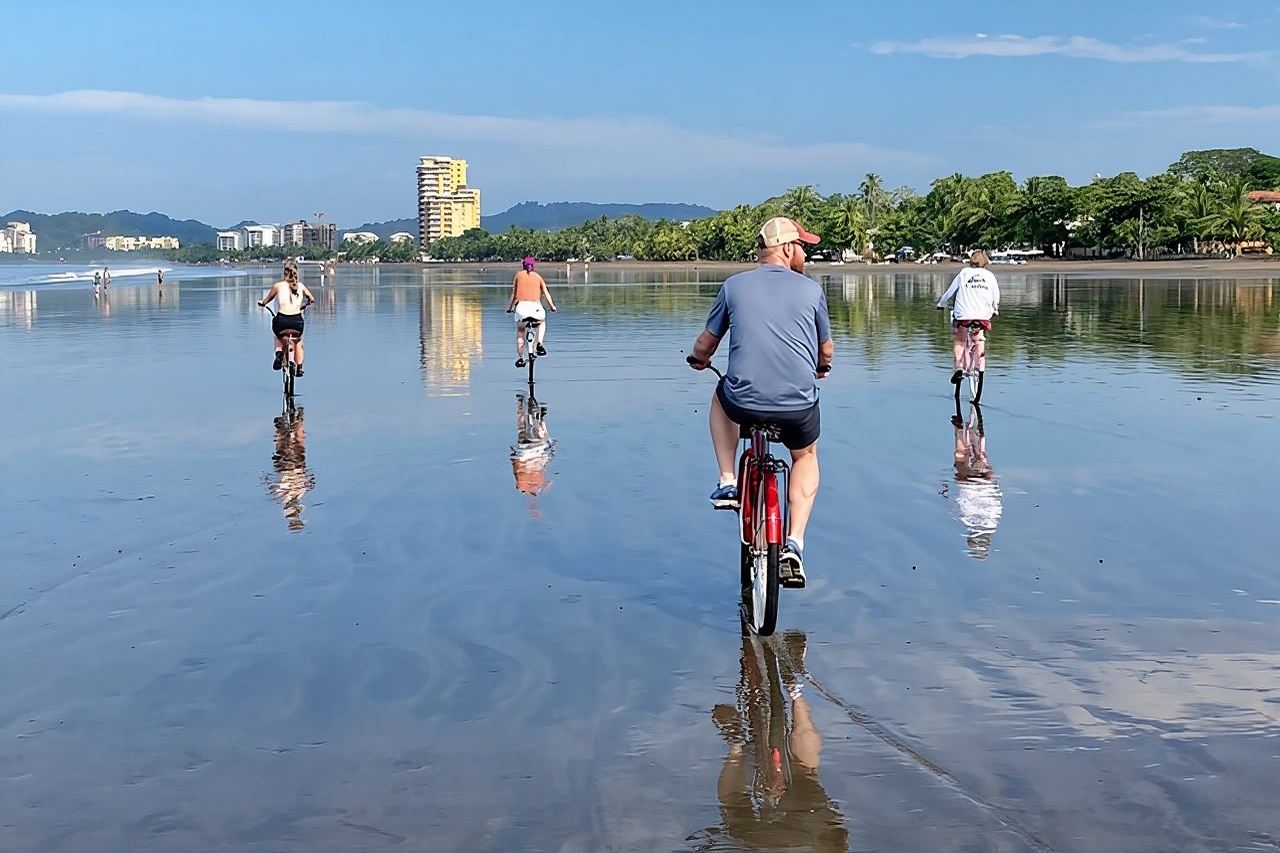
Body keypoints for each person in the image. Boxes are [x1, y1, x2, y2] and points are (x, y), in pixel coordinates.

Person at [687, 217, 832, 587]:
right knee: (805, 456)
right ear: (787, 248)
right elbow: (826, 350)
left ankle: (727, 480)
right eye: (803, 247)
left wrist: (700, 360)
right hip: (797, 407)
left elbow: (706, 343)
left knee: (720, 395)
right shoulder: (811, 291)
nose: (805, 255)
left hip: (743, 402)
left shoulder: (733, 286)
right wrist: (821, 367)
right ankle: (794, 544)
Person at [692, 632, 849, 852]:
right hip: (795, 832)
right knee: (735, 806)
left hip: (814, 828)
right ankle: (736, 739)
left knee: (806, 773)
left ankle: (793, 688)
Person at [937, 250, 1000, 385]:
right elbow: (996, 296)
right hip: (983, 315)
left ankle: (959, 368)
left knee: (960, 341)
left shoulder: (964, 273)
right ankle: (980, 360)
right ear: (985, 262)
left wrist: (941, 304)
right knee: (979, 334)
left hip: (963, 315)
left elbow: (950, 292)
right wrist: (995, 308)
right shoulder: (990, 276)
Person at [950, 405, 1002, 559]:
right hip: (971, 484)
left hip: (985, 484)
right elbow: (960, 503)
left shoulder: (993, 519)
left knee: (978, 459)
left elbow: (996, 499)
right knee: (960, 461)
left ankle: (978, 436)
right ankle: (960, 430)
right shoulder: (970, 521)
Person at [257, 259, 315, 376]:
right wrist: (306, 303)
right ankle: (299, 367)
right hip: (297, 322)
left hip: (282, 321)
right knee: (298, 341)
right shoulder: (301, 286)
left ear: (284, 273)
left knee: (278, 336)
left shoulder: (278, 286)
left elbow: (266, 301)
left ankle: (279, 354)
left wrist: (262, 303)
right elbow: (312, 299)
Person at [506, 256, 557, 368]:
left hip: (521, 309)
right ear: (533, 266)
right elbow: (546, 293)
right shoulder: (538, 277)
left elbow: (514, 295)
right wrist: (552, 306)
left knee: (520, 332)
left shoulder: (518, 275)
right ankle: (539, 344)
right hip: (536, 309)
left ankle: (520, 358)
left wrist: (509, 308)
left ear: (523, 265)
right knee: (541, 322)